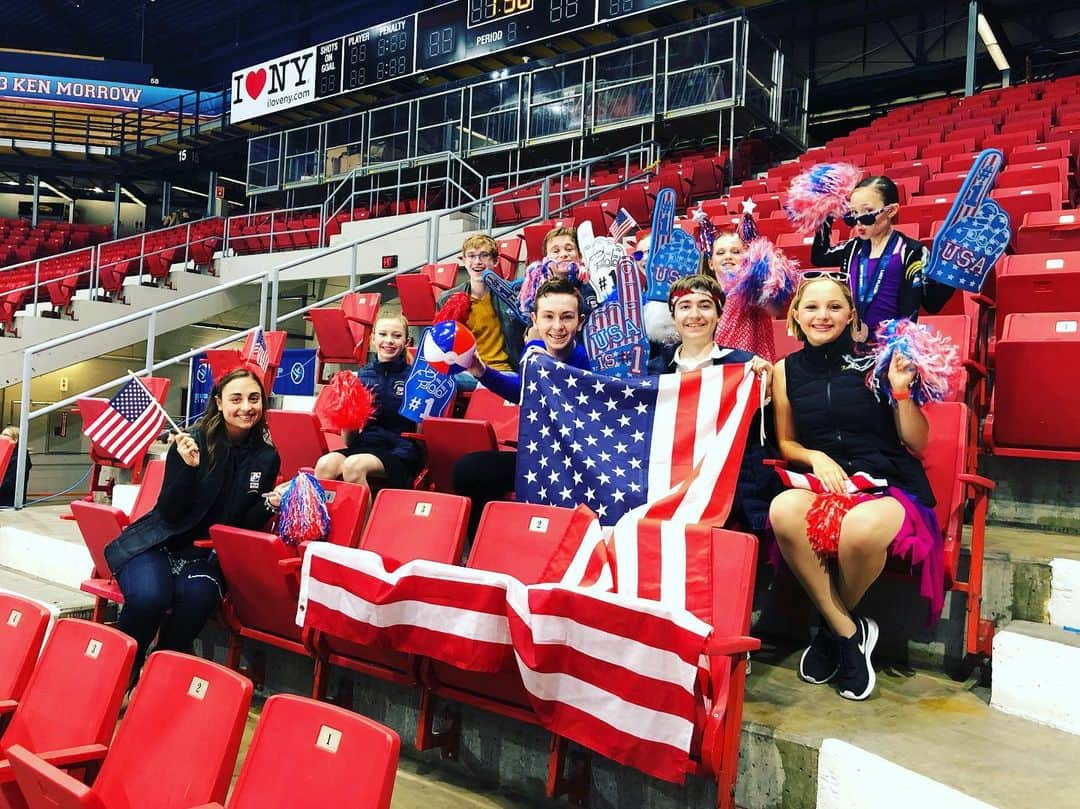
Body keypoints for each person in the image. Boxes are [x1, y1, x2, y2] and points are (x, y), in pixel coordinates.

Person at [768, 274, 941, 701]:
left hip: (885, 484)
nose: (821, 316)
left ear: (850, 316)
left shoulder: (881, 360)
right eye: (811, 307)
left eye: (833, 307)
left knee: (859, 531)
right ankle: (850, 630)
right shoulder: (783, 370)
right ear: (796, 315)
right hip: (823, 482)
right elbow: (787, 442)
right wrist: (816, 457)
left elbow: (918, 441)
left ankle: (830, 631)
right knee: (783, 509)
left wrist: (902, 393)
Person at [103, 369, 282, 676]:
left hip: (206, 557)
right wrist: (187, 469)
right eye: (236, 399)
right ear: (219, 402)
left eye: (254, 399)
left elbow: (243, 526)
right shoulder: (191, 442)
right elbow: (170, 513)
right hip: (158, 544)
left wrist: (268, 504)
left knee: (199, 598)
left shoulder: (267, 457)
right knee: (150, 597)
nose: (246, 407)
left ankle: (159, 670)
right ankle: (123, 673)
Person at [453, 277, 592, 535]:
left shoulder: (584, 360)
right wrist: (479, 369)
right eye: (548, 317)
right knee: (469, 469)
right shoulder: (534, 356)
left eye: (567, 317)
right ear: (535, 320)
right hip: (536, 458)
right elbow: (522, 390)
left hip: (574, 465)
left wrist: (534, 346)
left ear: (580, 321)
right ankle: (482, 548)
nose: (558, 326)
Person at [647, 275, 776, 530]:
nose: (695, 314)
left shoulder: (744, 365)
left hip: (727, 484)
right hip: (668, 479)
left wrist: (766, 388)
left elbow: (759, 435)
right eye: (685, 306)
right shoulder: (653, 371)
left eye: (705, 305)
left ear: (718, 314)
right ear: (673, 316)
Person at [811, 176, 954, 340]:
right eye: (853, 214)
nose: (858, 221)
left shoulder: (911, 251)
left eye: (867, 213)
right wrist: (825, 217)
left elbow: (933, 303)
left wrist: (955, 269)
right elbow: (819, 257)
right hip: (851, 344)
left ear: (891, 210)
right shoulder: (851, 248)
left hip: (893, 350)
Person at [314, 313, 420, 489]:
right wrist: (347, 418)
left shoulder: (415, 377)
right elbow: (350, 439)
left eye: (397, 335)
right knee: (324, 465)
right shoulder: (362, 376)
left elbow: (420, 434)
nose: (389, 340)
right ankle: (328, 517)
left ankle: (366, 517)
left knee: (353, 466)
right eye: (383, 334)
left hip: (400, 450)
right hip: (366, 445)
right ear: (372, 339)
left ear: (407, 342)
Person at [435, 234, 525, 389]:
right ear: (464, 260)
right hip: (466, 372)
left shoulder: (512, 295)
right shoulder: (448, 299)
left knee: (487, 385)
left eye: (484, 255)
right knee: (435, 382)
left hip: (503, 371)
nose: (477, 261)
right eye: (471, 256)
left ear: (495, 261)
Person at [0, 425, 31, 508]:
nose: (1, 437)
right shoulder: (5, 453)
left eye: (5, 435)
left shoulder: (19, 457)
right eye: (2, 434)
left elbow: (10, 482)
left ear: (15, 439)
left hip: (8, 502)